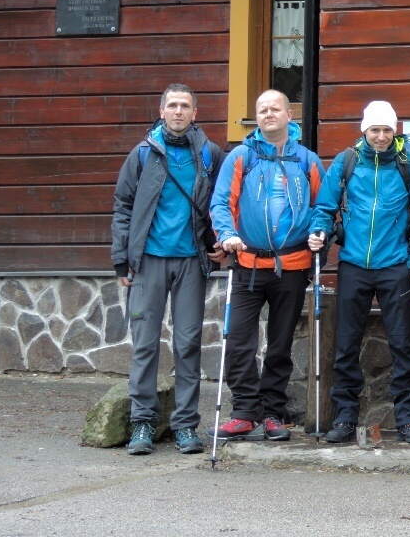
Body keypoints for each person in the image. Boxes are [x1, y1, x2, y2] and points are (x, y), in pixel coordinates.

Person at [307, 101, 410, 444]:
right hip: (353, 266)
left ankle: (408, 419)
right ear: (364, 131)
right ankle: (345, 417)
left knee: (402, 345)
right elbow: (324, 207)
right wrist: (319, 230)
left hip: (394, 267)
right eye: (374, 130)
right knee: (346, 345)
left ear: (395, 132)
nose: (380, 136)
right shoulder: (347, 163)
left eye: (387, 130)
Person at [111, 84, 225, 455]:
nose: (178, 111)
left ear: (195, 113)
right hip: (148, 262)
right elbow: (123, 207)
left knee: (188, 343)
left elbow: (221, 204)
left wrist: (221, 241)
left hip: (192, 260)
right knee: (145, 344)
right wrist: (121, 258)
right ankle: (142, 422)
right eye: (172, 105)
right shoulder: (142, 154)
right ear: (161, 111)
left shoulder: (210, 155)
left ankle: (186, 425)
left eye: (185, 106)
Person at [209, 89, 324, 442]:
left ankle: (273, 412)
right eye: (262, 110)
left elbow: (325, 206)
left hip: (293, 264)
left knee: (280, 343)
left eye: (275, 109)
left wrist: (321, 230)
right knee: (239, 340)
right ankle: (245, 410)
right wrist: (226, 233)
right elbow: (220, 202)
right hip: (247, 263)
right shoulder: (241, 156)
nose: (268, 114)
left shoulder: (307, 160)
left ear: (290, 115)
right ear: (256, 117)